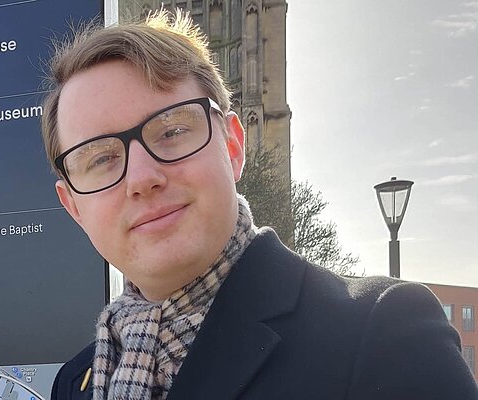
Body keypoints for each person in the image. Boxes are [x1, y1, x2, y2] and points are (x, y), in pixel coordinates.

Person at [40, 10, 477, 400]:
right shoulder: (77, 379)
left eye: (171, 131)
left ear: (232, 145)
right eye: (100, 158)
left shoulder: (383, 335)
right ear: (74, 206)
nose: (141, 178)